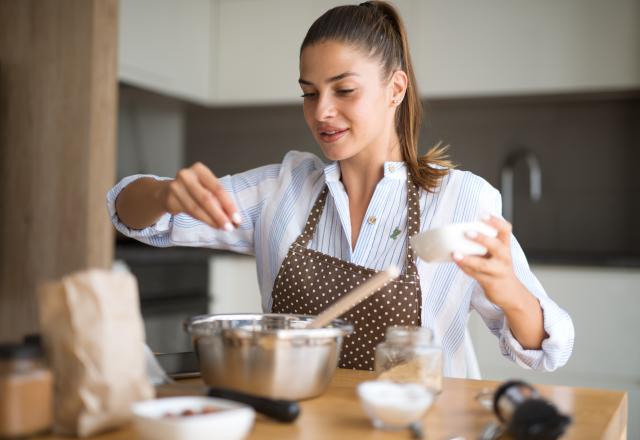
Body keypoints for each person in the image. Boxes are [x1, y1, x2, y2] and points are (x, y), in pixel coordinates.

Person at [107, 1, 574, 376]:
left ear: (395, 89)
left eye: (343, 90)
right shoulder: (281, 189)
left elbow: (547, 349)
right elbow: (129, 212)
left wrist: (508, 288)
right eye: (309, 93)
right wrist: (165, 195)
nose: (321, 111)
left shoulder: (462, 200)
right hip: (296, 424)